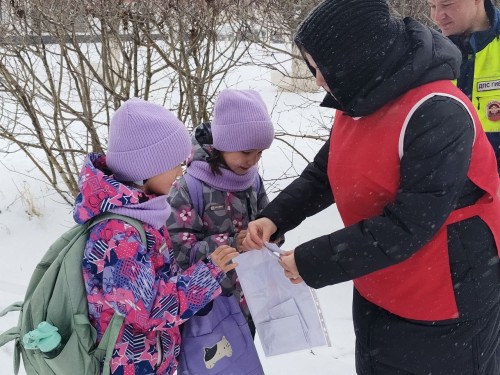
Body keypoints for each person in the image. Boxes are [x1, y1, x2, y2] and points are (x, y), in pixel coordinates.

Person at [243, 0, 500, 374]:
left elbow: (410, 224)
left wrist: (311, 261)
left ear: (356, 58)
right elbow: (323, 173)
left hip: (448, 299)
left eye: (320, 68)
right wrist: (275, 218)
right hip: (378, 283)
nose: (317, 81)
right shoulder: (360, 96)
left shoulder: (438, 111)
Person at [73, 98, 239, 375]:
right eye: (174, 163)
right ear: (146, 167)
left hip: (148, 361)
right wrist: (207, 275)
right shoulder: (119, 233)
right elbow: (146, 310)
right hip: (126, 367)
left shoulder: (143, 213)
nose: (180, 171)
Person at [166, 89, 275, 337]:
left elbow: (269, 217)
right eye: (246, 152)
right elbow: (179, 254)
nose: (253, 161)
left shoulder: (253, 180)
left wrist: (271, 235)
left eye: (259, 153)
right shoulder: (188, 187)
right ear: (224, 143)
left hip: (249, 300)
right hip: (208, 308)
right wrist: (232, 244)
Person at [429, 0, 500, 172]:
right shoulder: (428, 54)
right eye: (432, 6)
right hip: (446, 191)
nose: (438, 17)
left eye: (447, 5)